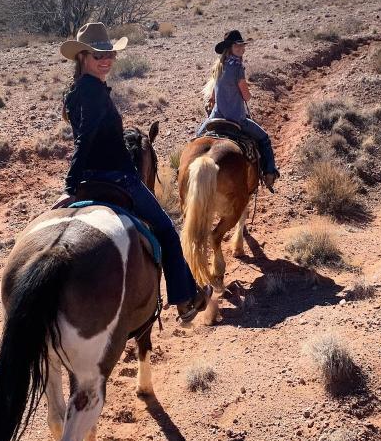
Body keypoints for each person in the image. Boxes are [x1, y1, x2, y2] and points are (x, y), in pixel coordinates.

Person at [52, 22, 211, 323]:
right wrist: (70, 185)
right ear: (82, 56)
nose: (106, 59)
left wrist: (76, 183)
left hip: (89, 179)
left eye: (109, 53)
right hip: (117, 177)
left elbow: (86, 139)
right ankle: (185, 299)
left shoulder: (73, 93)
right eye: (98, 54)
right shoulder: (95, 92)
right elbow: (85, 139)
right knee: (166, 230)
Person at [198, 30, 280, 190]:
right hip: (236, 119)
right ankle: (269, 174)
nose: (242, 48)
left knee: (197, 138)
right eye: (238, 45)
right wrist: (246, 94)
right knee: (264, 139)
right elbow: (246, 95)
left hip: (215, 117)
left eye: (242, 45)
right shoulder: (237, 68)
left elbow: (213, 95)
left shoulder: (219, 67)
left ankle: (182, 170)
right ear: (230, 48)